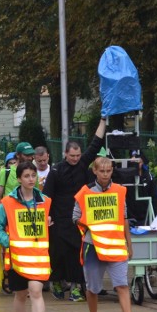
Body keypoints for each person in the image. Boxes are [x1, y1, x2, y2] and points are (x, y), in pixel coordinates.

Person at [74, 156, 146, 312]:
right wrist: (89, 225)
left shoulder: (119, 191)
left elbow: (123, 219)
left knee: (122, 285)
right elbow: (75, 217)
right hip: (93, 246)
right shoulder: (85, 192)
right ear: (95, 171)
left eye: (108, 171)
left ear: (112, 171)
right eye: (102, 171)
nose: (105, 175)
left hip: (115, 246)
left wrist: (129, 244)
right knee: (93, 288)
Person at [0, 162, 53, 312]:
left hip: (38, 257)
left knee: (36, 291)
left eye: (33, 175)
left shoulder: (45, 201)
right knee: (20, 295)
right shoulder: (8, 203)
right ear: (19, 179)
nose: (31, 179)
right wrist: (10, 240)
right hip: (17, 259)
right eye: (26, 176)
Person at [43, 118, 106, 301]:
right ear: (65, 154)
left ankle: (77, 286)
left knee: (78, 253)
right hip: (59, 218)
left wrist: (102, 120)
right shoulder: (55, 171)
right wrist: (46, 216)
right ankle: (56, 280)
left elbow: (96, 143)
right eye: (72, 156)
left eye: (78, 156)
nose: (76, 159)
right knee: (59, 252)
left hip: (78, 218)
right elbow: (47, 196)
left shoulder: (83, 165)